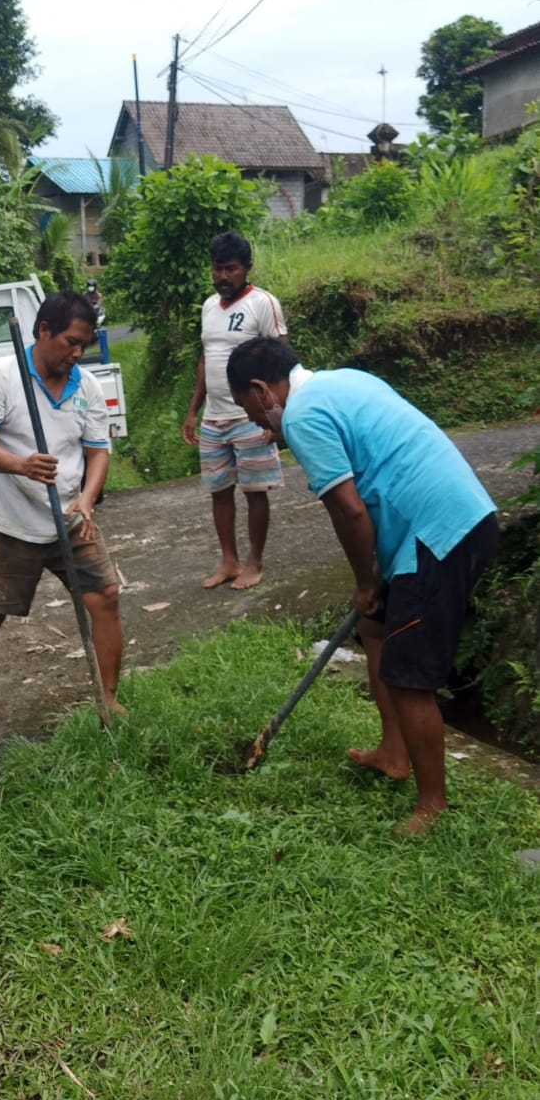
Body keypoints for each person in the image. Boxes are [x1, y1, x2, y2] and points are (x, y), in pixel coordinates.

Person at [225, 337, 499, 834]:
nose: (262, 426)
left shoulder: (304, 415)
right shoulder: (341, 381)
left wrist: (364, 580)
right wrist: (374, 586)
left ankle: (431, 806)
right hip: (459, 518)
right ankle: (394, 751)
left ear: (263, 390)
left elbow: (349, 511)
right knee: (374, 630)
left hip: (437, 534)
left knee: (409, 677)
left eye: (254, 413)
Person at [0, 291, 123, 740]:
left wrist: (86, 499)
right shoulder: (1, 376)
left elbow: (98, 451)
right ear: (43, 331)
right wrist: (22, 464)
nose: (77, 352)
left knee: (105, 596)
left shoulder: (86, 386)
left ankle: (108, 696)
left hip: (68, 514)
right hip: (6, 520)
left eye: (84, 344)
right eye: (70, 341)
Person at [182, 232, 287, 590]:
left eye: (231, 269)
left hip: (250, 418)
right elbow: (205, 359)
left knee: (254, 491)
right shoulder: (209, 306)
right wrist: (193, 410)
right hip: (214, 419)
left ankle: (255, 562)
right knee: (219, 491)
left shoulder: (263, 304)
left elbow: (281, 362)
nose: (223, 276)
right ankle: (229, 561)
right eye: (217, 269)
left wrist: (277, 418)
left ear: (246, 268)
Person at [85, 279, 109, 364]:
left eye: (91, 286)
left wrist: (93, 307)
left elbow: (98, 305)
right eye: (89, 286)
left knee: (99, 314)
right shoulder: (85, 295)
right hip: (87, 312)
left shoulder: (98, 295)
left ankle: (95, 327)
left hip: (96, 312)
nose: (90, 288)